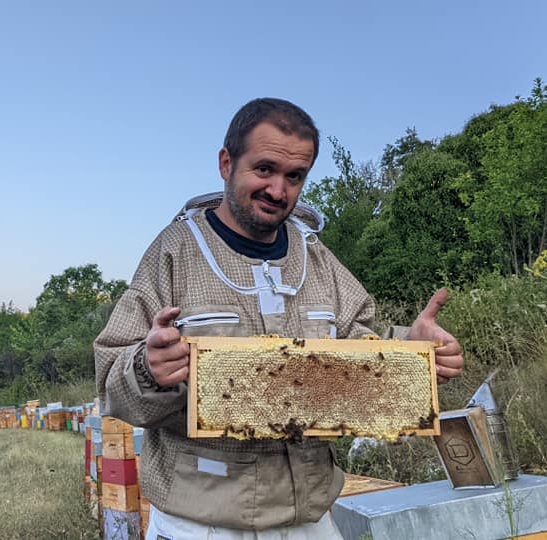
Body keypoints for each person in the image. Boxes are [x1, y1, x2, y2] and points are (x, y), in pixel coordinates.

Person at [94, 98, 464, 539]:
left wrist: (413, 349)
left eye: (295, 176)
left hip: (310, 521)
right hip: (204, 524)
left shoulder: (318, 258)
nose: (278, 190)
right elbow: (111, 382)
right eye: (264, 169)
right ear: (227, 163)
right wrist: (148, 370)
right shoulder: (175, 252)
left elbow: (360, 346)